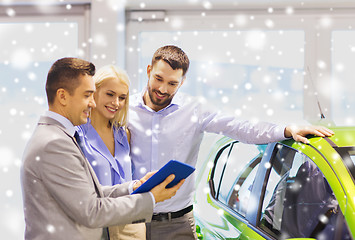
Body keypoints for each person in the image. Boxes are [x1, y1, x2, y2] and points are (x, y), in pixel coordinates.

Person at [128, 45, 335, 240]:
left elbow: (241, 127)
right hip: (129, 220)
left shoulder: (194, 111)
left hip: (177, 224)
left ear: (182, 82)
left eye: (172, 83)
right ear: (148, 70)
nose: (163, 89)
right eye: (158, 78)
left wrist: (286, 129)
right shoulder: (125, 110)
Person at [20, 57, 184, 240]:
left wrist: (133, 186)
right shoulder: (54, 143)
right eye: (87, 95)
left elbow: (90, 194)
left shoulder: (60, 136)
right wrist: (151, 199)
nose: (91, 103)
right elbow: (91, 211)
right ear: (63, 96)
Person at [75, 65, 146, 239]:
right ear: (94, 92)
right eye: (110, 94)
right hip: (93, 228)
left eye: (122, 97)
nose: (116, 103)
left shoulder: (124, 135)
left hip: (127, 226)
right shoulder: (77, 135)